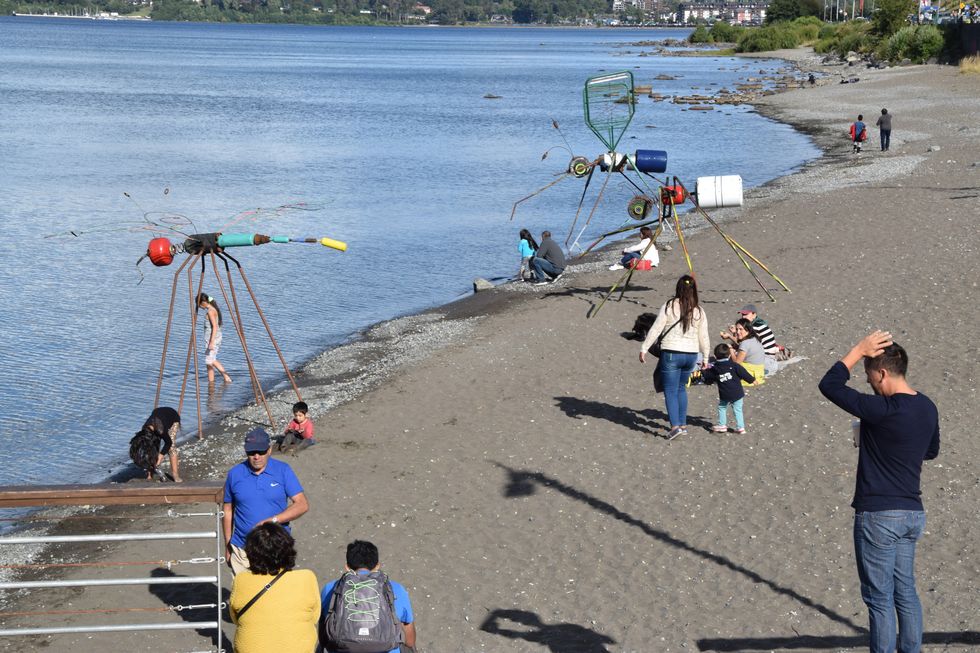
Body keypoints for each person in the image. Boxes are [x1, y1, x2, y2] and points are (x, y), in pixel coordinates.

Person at [817, 331, 940, 653]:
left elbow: (829, 385)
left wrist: (857, 350)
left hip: (879, 516)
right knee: (906, 592)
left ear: (881, 372)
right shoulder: (927, 407)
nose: (868, 381)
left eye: (868, 374)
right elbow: (930, 451)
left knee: (879, 599)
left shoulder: (881, 409)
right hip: (912, 512)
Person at [223, 428, 309, 575]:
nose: (256, 456)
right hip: (241, 548)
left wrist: (273, 521)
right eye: (251, 452)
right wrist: (228, 544)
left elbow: (302, 504)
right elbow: (227, 510)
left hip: (275, 548)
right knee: (244, 595)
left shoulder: (283, 470)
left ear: (269, 450)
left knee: (276, 595)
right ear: (246, 452)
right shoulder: (235, 474)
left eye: (261, 452)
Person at [638, 275, 710, 440]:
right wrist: (705, 358)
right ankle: (683, 425)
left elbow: (656, 328)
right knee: (681, 388)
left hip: (672, 353)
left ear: (678, 288)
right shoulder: (699, 310)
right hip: (691, 355)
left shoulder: (669, 305)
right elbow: (704, 336)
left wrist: (644, 348)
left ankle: (675, 426)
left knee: (670, 390)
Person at [230, 522, 320, 653]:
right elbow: (314, 617)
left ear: (250, 553)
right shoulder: (307, 577)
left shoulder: (241, 580)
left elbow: (235, 618)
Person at [319, 540, 416, 653]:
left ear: (347, 567)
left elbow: (323, 638)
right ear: (377, 566)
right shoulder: (396, 589)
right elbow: (410, 641)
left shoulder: (330, 588)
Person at [701, 343, 755, 434]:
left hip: (725, 393)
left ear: (715, 356)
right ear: (730, 355)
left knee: (722, 407)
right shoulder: (735, 365)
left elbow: (707, 376)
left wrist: (703, 370)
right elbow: (744, 373)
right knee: (738, 410)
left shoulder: (715, 369)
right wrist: (752, 380)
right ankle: (740, 428)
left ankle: (722, 425)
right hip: (737, 392)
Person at [132, 406, 183, 482]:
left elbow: (168, 443)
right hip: (158, 416)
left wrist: (161, 456)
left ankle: (175, 475)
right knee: (151, 448)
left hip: (172, 417)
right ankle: (150, 474)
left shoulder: (160, 429)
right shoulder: (144, 429)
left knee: (171, 447)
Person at [197, 293, 232, 385]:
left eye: (198, 304)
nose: (198, 306)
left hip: (213, 339)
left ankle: (226, 377)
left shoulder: (210, 311)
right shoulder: (212, 309)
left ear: (203, 302)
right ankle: (211, 382)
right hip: (212, 338)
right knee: (209, 362)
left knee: (210, 360)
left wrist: (211, 342)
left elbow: (215, 327)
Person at [727, 318, 773, 383]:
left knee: (727, 364)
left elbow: (736, 364)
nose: (737, 332)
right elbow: (740, 345)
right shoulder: (754, 338)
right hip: (759, 372)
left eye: (740, 329)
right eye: (737, 329)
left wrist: (730, 349)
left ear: (747, 330)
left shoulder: (745, 343)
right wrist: (731, 336)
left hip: (751, 376)